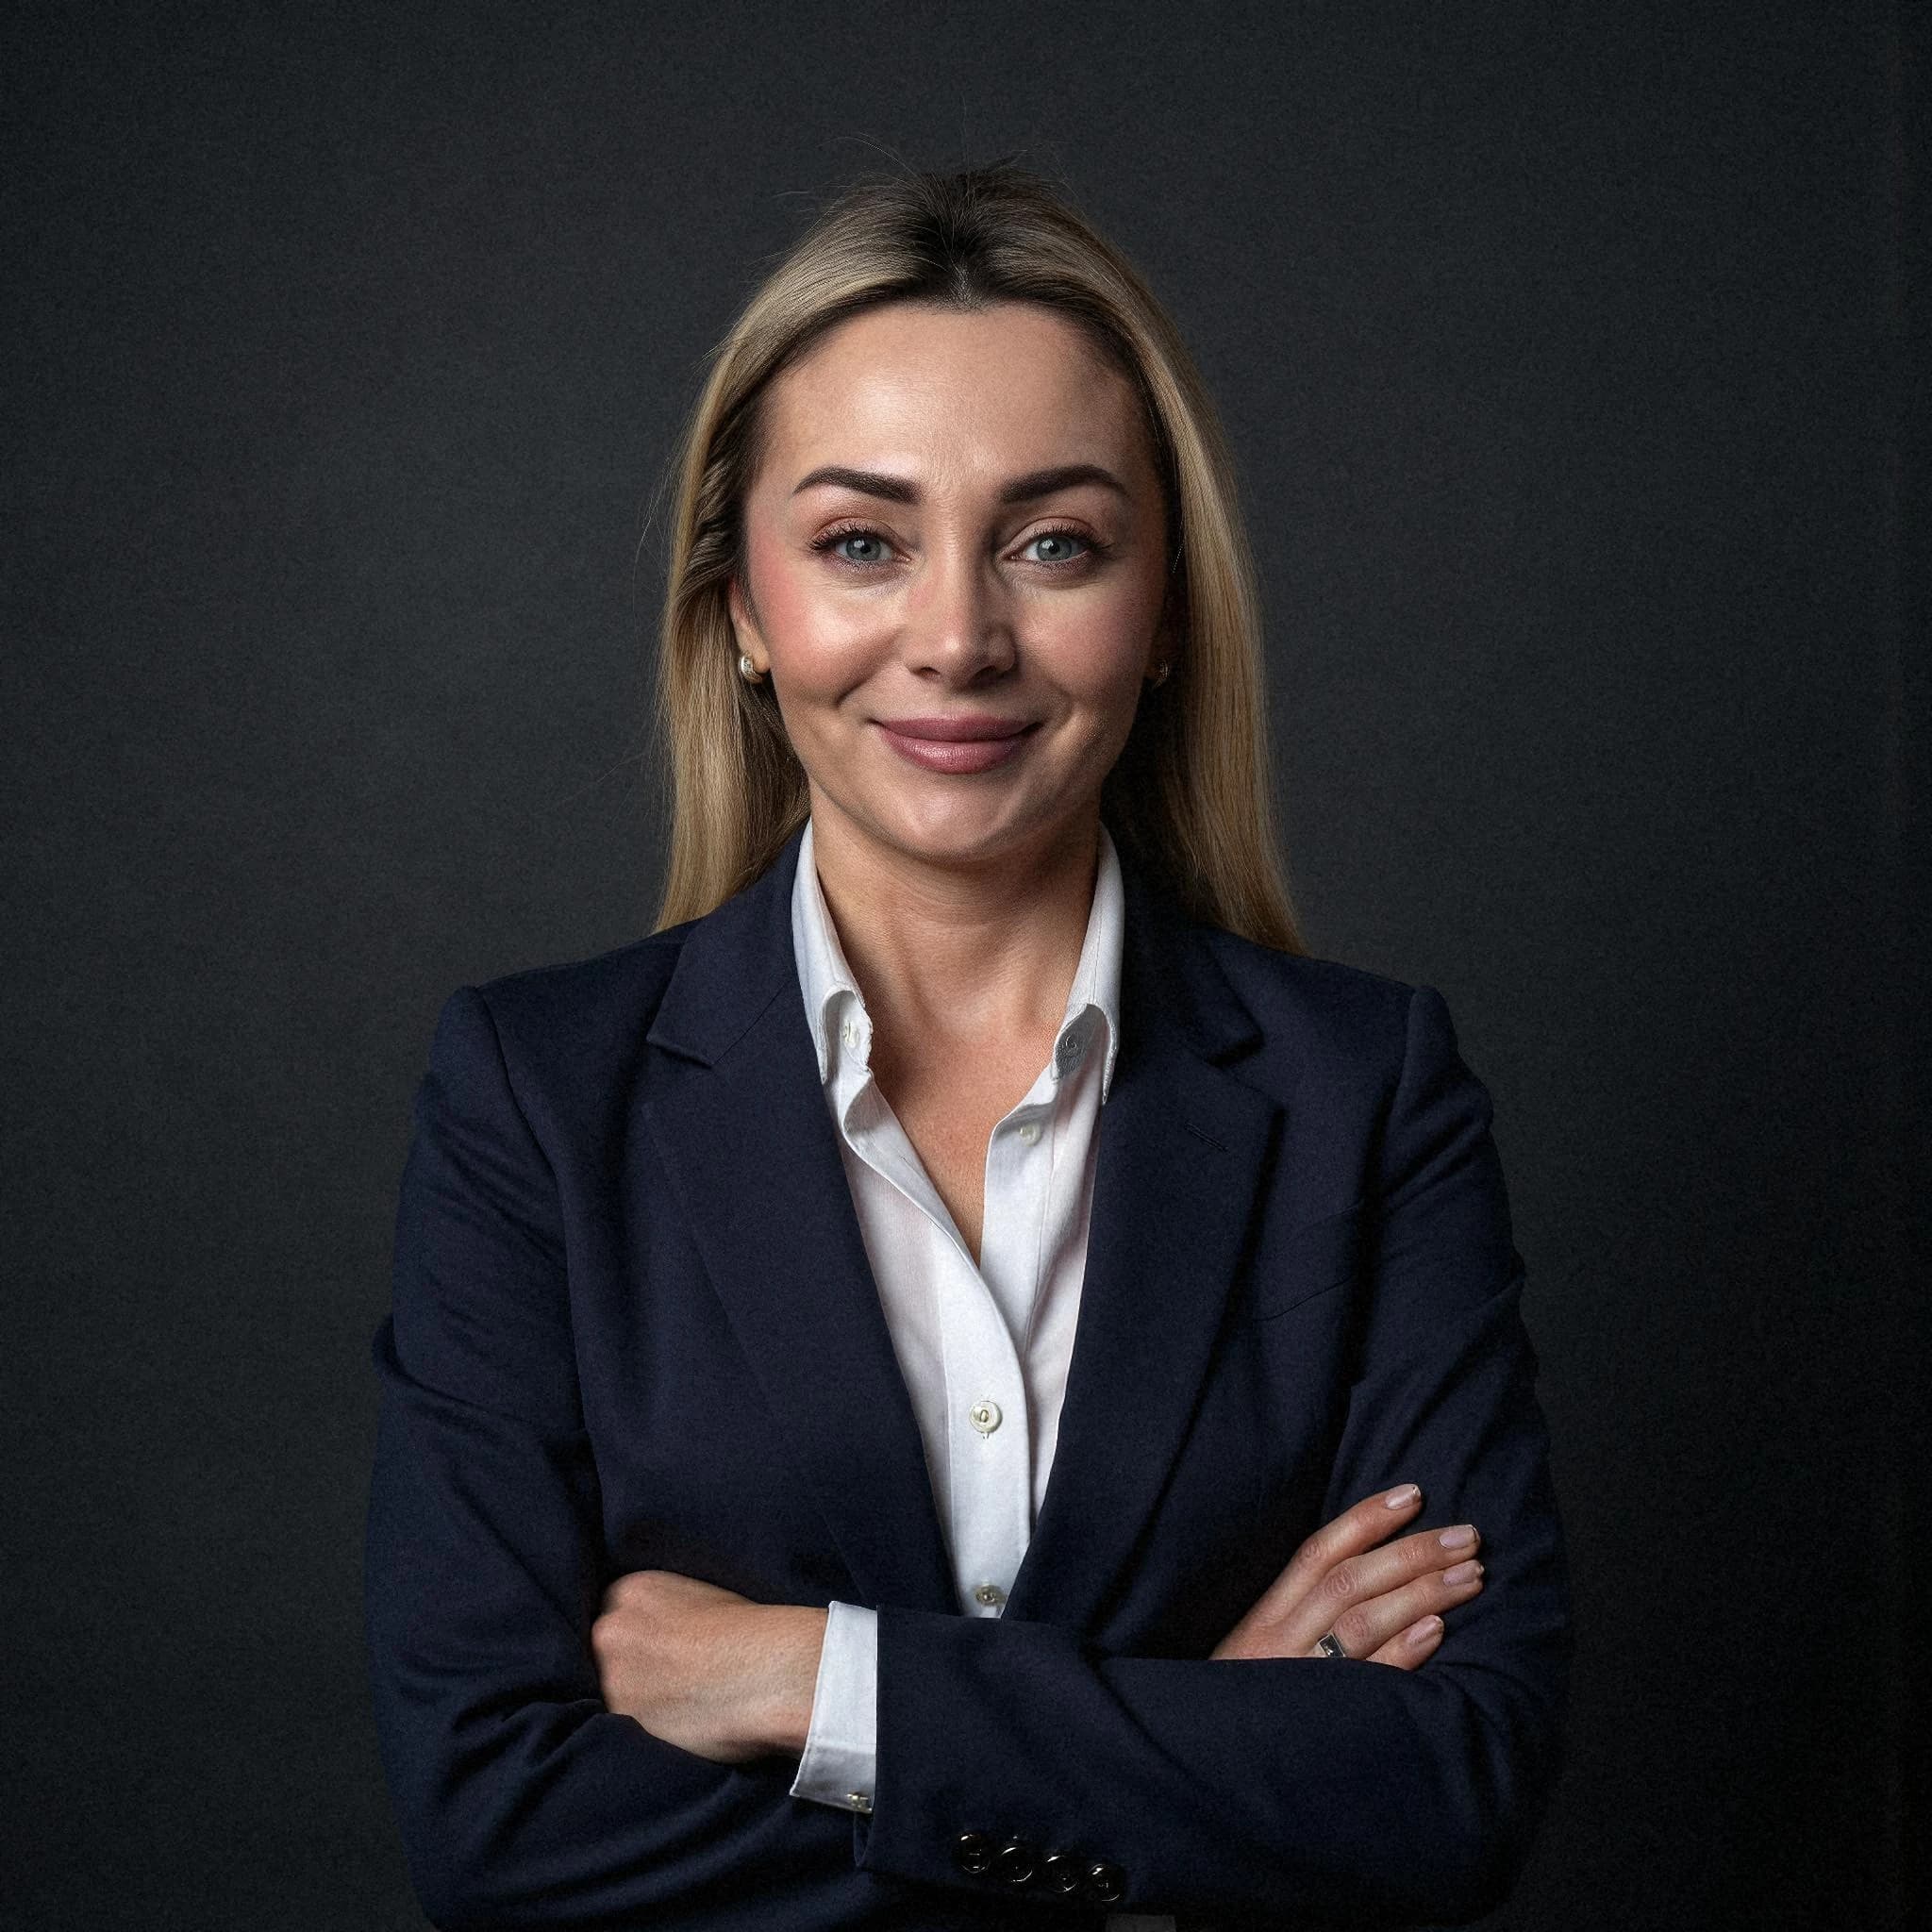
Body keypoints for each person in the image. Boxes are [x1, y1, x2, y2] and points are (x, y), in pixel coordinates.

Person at [364, 160, 1573, 1932]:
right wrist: (1206, 1747)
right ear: (745, 615)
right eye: (862, 543)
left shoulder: (1362, 1095)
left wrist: (819, 1684)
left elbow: (1453, 1788)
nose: (957, 638)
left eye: (1054, 543)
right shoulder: (538, 1105)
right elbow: (497, 1831)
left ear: (1160, 612)